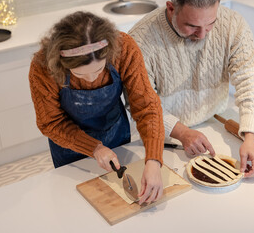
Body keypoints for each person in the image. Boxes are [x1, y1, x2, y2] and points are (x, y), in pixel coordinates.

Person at [29, 11, 165, 204]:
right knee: (77, 204)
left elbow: (147, 107)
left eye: (99, 70)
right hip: (70, 148)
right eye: (79, 74)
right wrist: (94, 148)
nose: (92, 79)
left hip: (116, 134)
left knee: (120, 202)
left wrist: (153, 160)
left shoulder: (124, 48)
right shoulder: (43, 66)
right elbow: (50, 122)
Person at [129, 0, 254, 178]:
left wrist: (251, 138)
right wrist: (182, 132)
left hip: (216, 124)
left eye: (211, 23)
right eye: (192, 26)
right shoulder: (139, 40)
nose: (202, 35)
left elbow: (251, 82)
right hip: (161, 137)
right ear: (171, 8)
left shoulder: (234, 25)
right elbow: (140, 105)